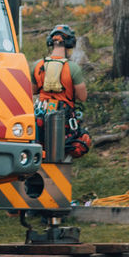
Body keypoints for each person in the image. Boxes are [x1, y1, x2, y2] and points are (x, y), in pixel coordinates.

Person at [35, 25, 91, 159]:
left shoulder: (38, 65)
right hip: (64, 118)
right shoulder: (73, 68)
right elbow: (82, 97)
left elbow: (32, 90)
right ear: (70, 44)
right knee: (81, 141)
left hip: (41, 116)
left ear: (50, 43)